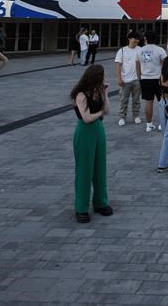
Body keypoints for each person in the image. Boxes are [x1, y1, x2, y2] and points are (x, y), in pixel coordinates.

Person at [70, 64, 112, 223]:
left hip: (98, 130)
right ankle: (81, 207)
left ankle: (101, 202)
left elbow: (108, 110)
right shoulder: (80, 95)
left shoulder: (98, 91)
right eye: (102, 76)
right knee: (84, 169)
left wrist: (105, 93)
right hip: (85, 131)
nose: (105, 79)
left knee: (100, 167)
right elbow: (86, 118)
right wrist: (101, 112)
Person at [137, 30, 167, 132]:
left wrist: (139, 77)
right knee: (162, 102)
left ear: (146, 39)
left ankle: (149, 125)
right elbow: (165, 66)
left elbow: (137, 66)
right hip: (158, 79)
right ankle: (161, 124)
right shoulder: (160, 50)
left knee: (148, 101)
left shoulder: (140, 50)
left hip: (145, 79)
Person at [114, 31, 142, 127]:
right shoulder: (122, 51)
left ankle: (136, 115)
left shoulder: (140, 50)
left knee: (136, 99)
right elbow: (118, 65)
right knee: (123, 100)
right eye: (135, 39)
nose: (136, 41)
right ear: (129, 39)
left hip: (137, 80)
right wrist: (119, 78)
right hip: (125, 80)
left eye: (138, 39)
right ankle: (122, 117)